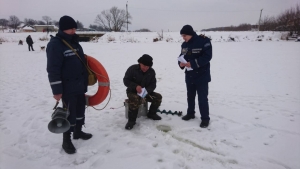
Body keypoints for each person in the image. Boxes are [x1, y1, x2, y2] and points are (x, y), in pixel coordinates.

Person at [46, 15, 92, 154]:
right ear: (63, 29)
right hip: (67, 87)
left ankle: (78, 131)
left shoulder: (75, 43)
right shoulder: (55, 45)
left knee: (80, 110)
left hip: (79, 85)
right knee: (69, 114)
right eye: (71, 28)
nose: (73, 31)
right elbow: (53, 69)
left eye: (74, 28)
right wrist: (57, 90)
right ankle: (66, 140)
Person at [178, 25, 212, 128]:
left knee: (202, 98)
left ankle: (205, 119)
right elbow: (181, 56)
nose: (183, 38)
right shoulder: (184, 44)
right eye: (182, 36)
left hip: (202, 75)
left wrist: (192, 63)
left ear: (190, 34)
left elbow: (207, 56)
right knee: (190, 96)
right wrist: (180, 64)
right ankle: (190, 113)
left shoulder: (203, 41)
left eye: (184, 35)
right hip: (190, 76)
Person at [123, 54, 162, 130]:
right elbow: (126, 81)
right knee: (135, 98)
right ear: (140, 63)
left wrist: (146, 91)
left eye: (147, 67)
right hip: (132, 92)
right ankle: (131, 121)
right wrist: (135, 86)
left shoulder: (151, 72)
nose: (145, 68)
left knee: (158, 97)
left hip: (146, 92)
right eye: (144, 65)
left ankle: (151, 113)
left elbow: (153, 84)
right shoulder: (132, 69)